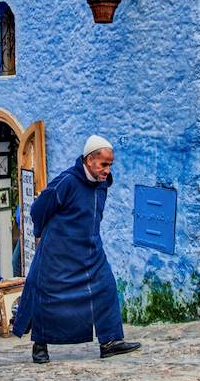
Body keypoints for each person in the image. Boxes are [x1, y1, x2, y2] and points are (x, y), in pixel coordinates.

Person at [11, 135, 141, 363]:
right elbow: (39, 208)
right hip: (58, 251)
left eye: (110, 165)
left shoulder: (102, 184)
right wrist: (39, 233)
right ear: (89, 160)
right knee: (48, 295)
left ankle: (110, 341)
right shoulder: (67, 182)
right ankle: (40, 346)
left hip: (90, 249)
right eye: (103, 164)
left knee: (106, 287)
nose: (107, 170)